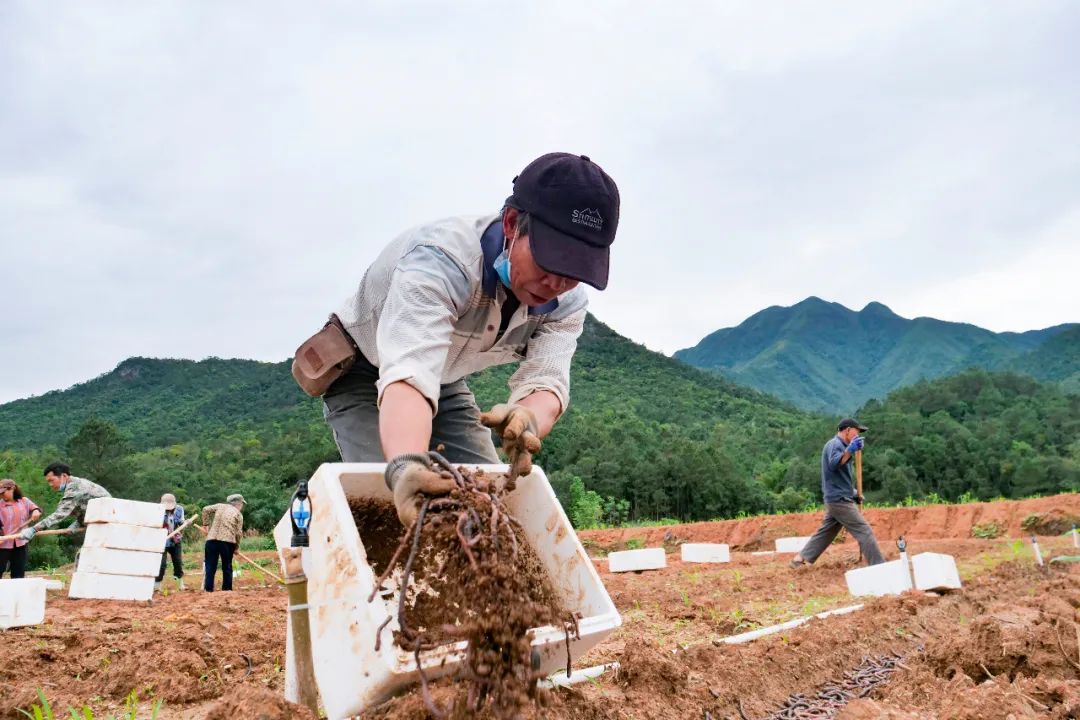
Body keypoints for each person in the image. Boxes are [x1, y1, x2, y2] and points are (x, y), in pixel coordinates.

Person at [309, 152, 620, 526]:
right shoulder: (439, 263)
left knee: (485, 506)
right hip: (364, 370)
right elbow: (410, 372)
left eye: (574, 272)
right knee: (396, 501)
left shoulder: (566, 303)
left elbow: (547, 379)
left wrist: (528, 419)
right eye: (550, 262)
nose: (557, 284)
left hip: (444, 378)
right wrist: (406, 466)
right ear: (511, 225)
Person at [791, 419, 884, 568]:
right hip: (839, 500)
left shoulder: (842, 447)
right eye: (856, 431)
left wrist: (854, 493)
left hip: (838, 496)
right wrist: (850, 451)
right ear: (847, 430)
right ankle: (879, 566)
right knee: (864, 531)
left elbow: (839, 478)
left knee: (827, 531)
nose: (858, 435)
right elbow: (834, 465)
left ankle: (799, 559)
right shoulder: (835, 445)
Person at [19, 462, 111, 542]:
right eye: (48, 482)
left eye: (52, 480)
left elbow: (61, 513)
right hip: (99, 516)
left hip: (107, 519)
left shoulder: (75, 487)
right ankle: (81, 521)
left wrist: (34, 529)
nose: (50, 485)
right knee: (63, 505)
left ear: (64, 476)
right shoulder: (74, 484)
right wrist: (80, 521)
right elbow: (82, 505)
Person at [201, 494, 244, 592]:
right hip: (227, 542)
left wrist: (205, 525)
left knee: (210, 566)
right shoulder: (238, 514)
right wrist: (236, 547)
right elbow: (238, 533)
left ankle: (208, 589)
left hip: (211, 540)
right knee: (227, 566)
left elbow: (205, 509)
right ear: (239, 504)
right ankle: (227, 590)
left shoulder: (220, 506)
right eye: (242, 504)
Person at [0, 479, 42, 578]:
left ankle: (16, 592)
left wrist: (36, 511)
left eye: (3, 493)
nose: (1, 495)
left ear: (12, 489)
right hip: (3, 544)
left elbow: (36, 509)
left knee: (18, 572)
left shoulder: (24, 501)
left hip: (20, 543)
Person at [155, 493, 185, 592]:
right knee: (161, 564)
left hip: (175, 541)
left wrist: (184, 525)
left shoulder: (180, 509)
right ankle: (157, 586)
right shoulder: (157, 510)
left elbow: (181, 523)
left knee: (178, 562)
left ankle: (179, 584)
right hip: (161, 540)